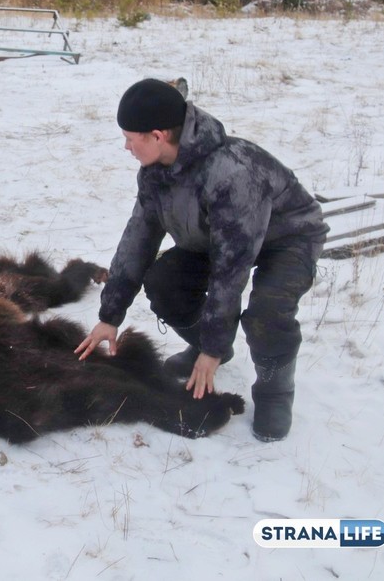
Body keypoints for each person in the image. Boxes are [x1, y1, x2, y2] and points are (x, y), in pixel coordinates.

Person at [75, 78, 328, 442]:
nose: (126, 146)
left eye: (131, 138)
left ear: (158, 136)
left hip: (286, 238)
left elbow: (231, 270)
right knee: (165, 284)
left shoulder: (232, 173)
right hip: (214, 236)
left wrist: (210, 347)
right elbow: (138, 240)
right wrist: (109, 316)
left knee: (268, 313)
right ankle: (215, 349)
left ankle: (275, 391)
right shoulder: (155, 172)